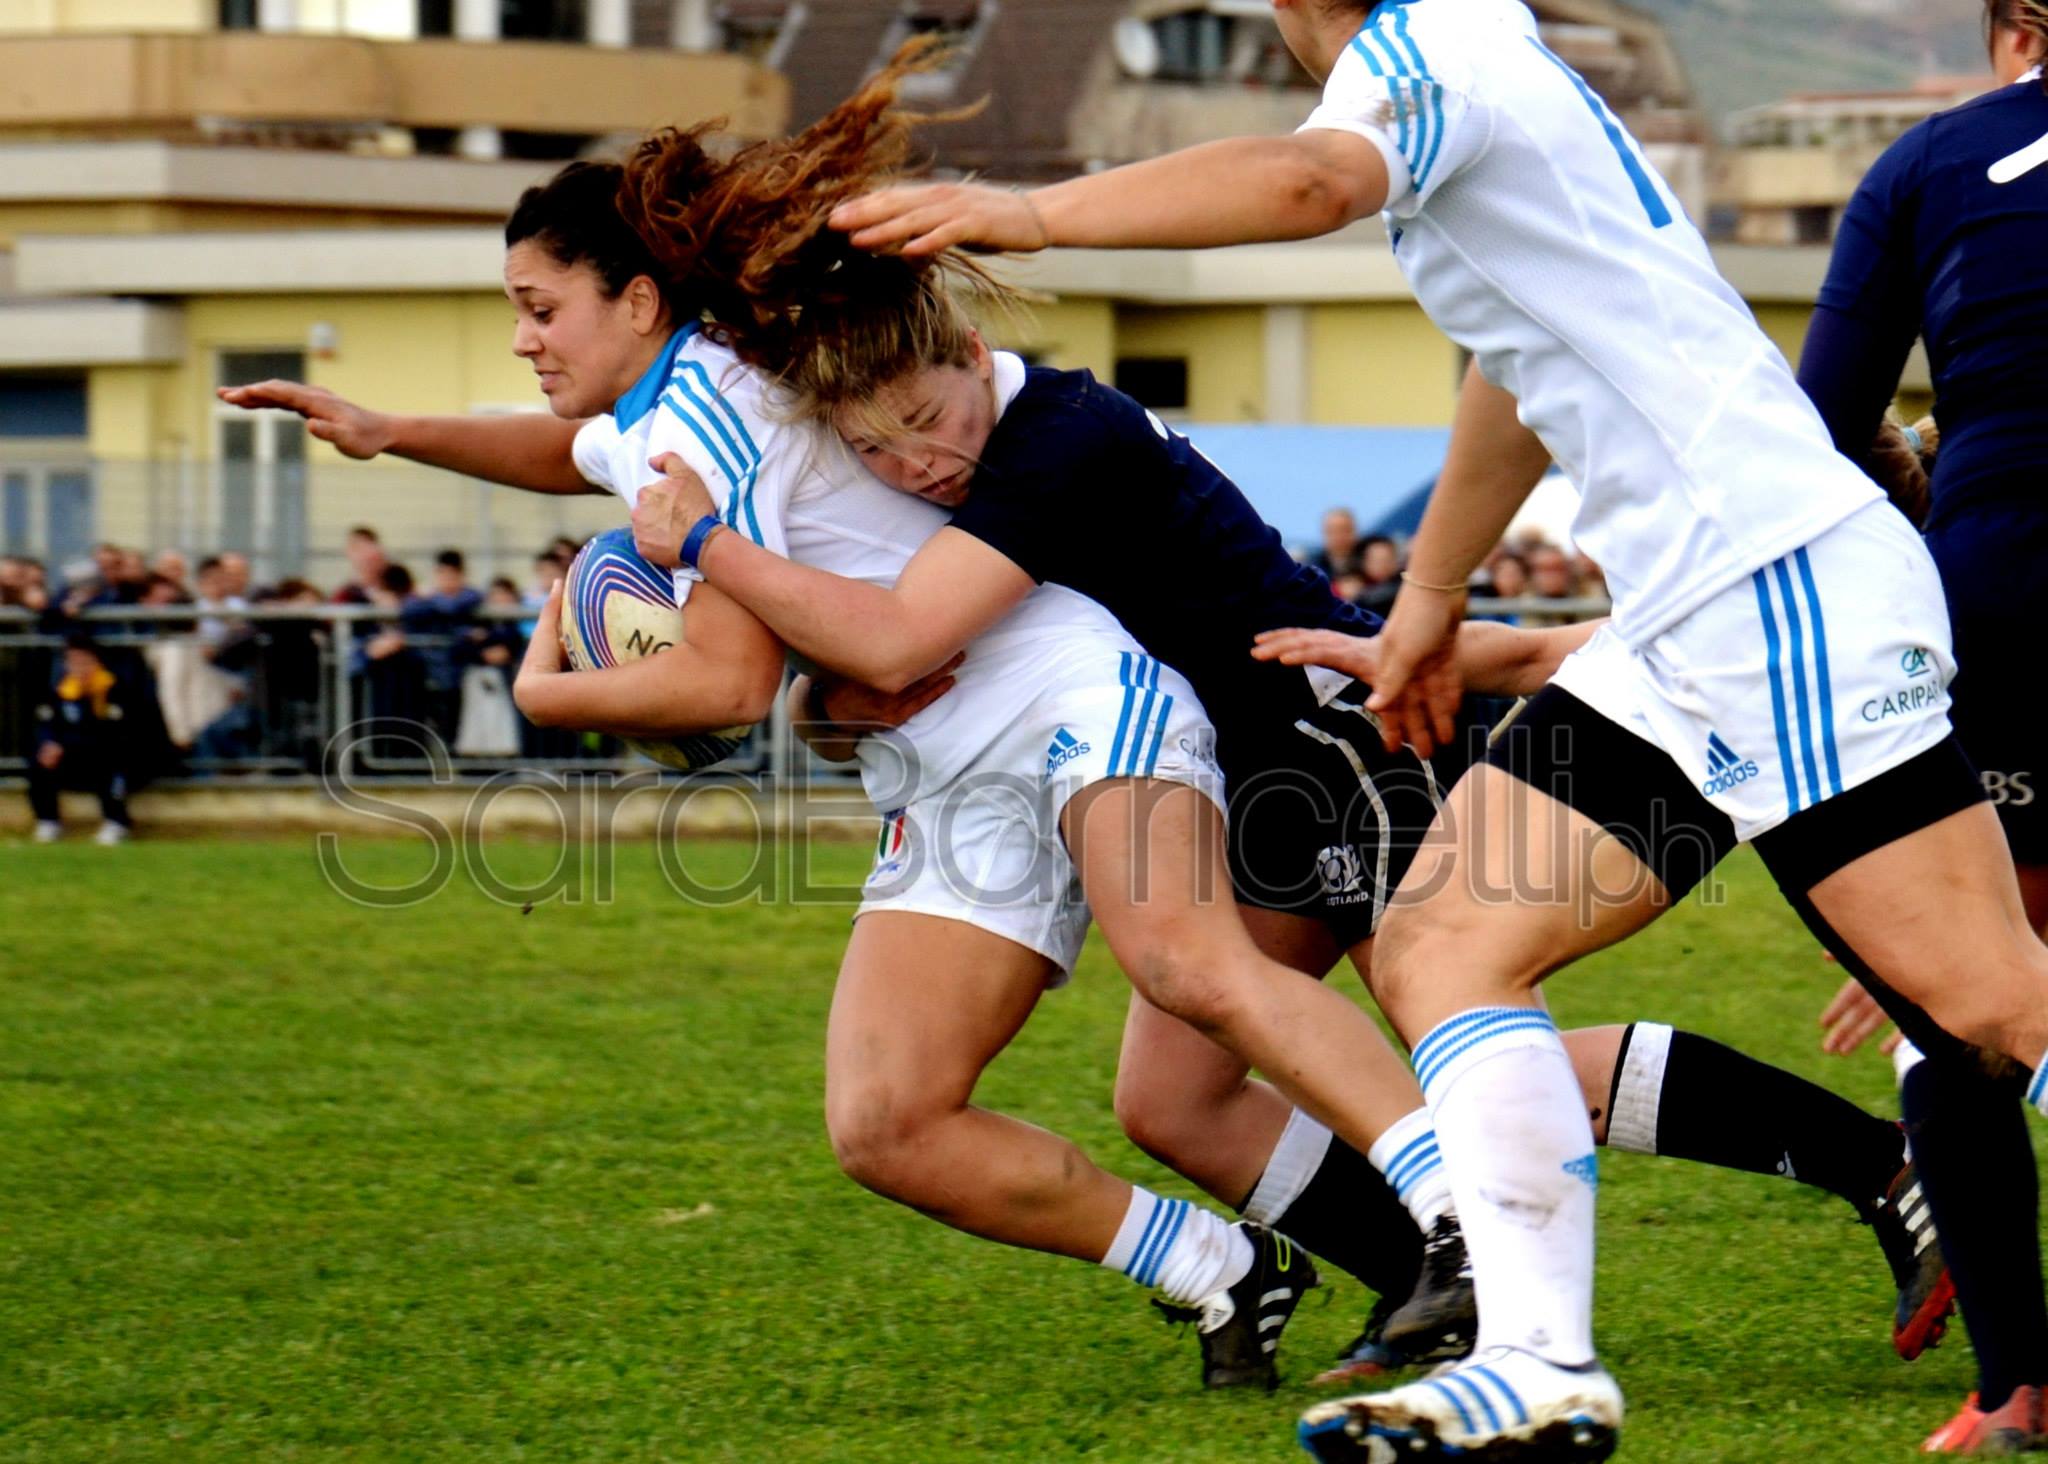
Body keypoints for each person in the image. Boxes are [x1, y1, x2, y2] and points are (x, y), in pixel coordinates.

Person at [225, 119, 1945, 1405]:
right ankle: (1423, 1265)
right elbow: (595, 442)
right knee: (1181, 1088)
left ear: (962, 356)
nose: (914, 460)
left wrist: (696, 602)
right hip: (1215, 722)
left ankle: (1787, 1178)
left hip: (1301, 724)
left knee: (1440, 1020)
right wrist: (393, 427)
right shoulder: (787, 392)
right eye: (881, 443)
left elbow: (884, 638)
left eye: (918, 422)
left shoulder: (1045, 440)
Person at [830, 2, 2048, 1459]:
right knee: (1443, 947)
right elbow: (1508, 370)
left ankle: (1560, 1345)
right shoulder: (1479, 55)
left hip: (1769, 585)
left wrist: (1026, 212)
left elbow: (1305, 185)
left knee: (1992, 1007)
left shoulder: (1412, 53)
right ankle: (1540, 1369)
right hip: (1698, 612)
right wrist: (1426, 597)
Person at [1795, 2, 2048, 1447]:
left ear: (2020, 30)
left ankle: (2016, 1383)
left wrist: (1923, 457)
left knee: (1962, 1002)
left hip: (2004, 590)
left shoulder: (1932, 161)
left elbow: (1821, 422)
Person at [29, 634, 146, 844]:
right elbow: (47, 723)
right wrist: (49, 744)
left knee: (110, 759)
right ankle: (48, 821)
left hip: (111, 754)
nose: (78, 667)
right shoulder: (61, 690)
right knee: (39, 761)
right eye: (72, 661)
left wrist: (67, 742)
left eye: (83, 661)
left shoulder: (112, 688)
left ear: (96, 661)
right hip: (72, 754)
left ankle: (116, 821)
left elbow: (116, 732)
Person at [1307, 507, 1362, 580]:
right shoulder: (1312, 569)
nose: (1339, 536)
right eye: (1332, 531)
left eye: (1344, 530)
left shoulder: (1369, 564)